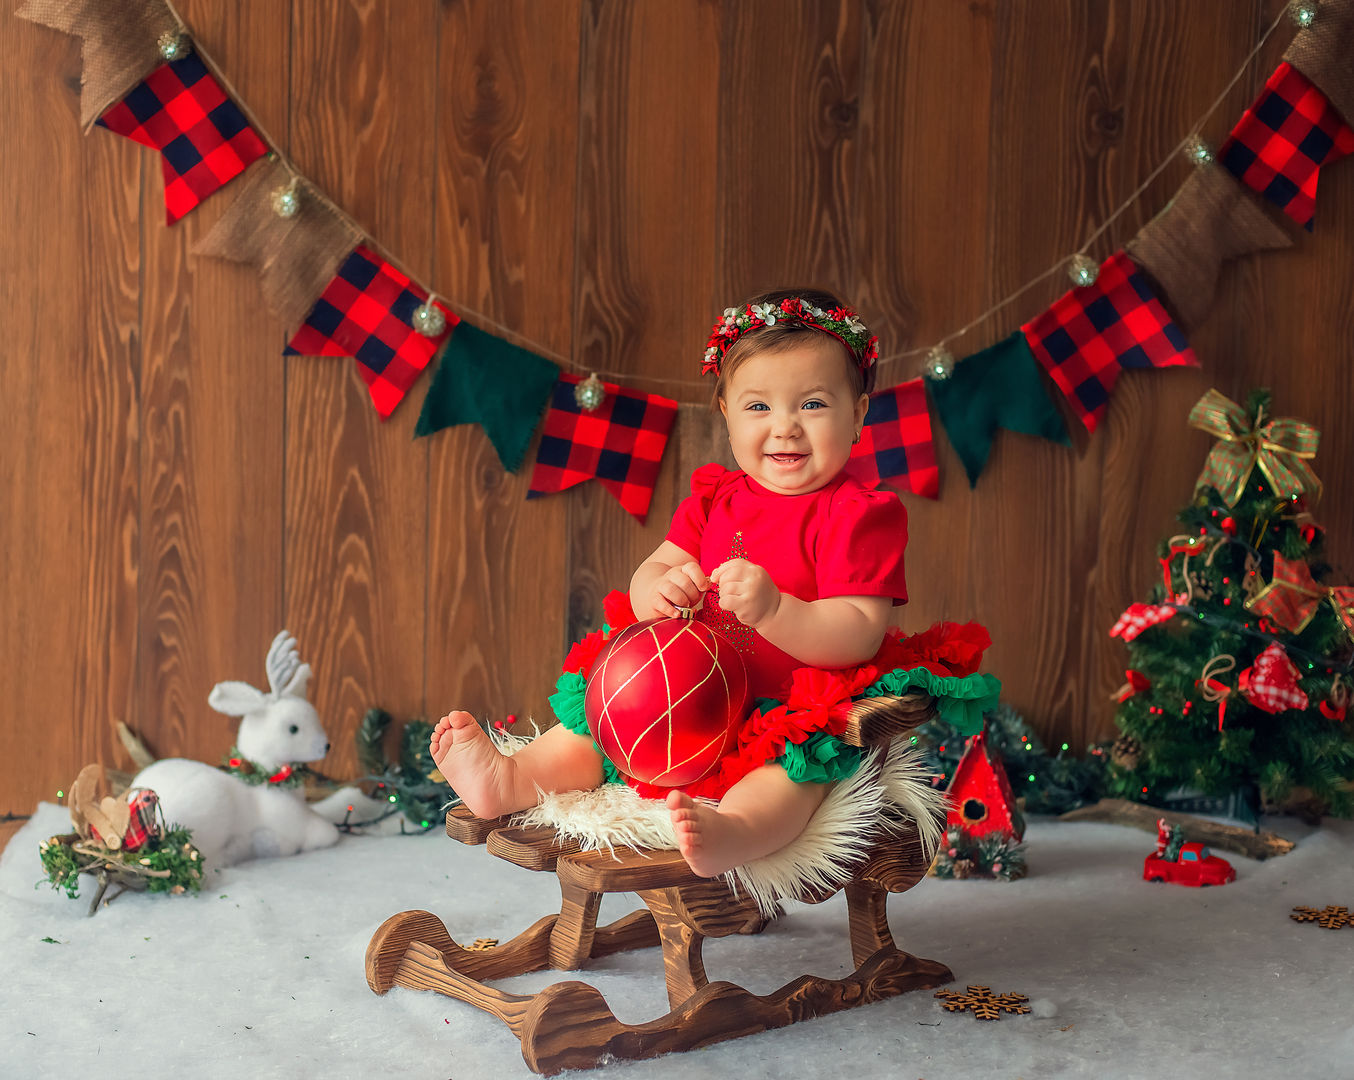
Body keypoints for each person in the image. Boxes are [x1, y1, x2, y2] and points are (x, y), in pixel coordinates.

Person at [430, 289, 909, 878]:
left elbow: (859, 632)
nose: (785, 428)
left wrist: (776, 610)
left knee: (790, 777)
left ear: (858, 415)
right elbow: (652, 571)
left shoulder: (858, 515)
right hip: (683, 692)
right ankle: (510, 779)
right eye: (758, 406)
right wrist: (656, 590)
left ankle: (735, 831)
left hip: (781, 705)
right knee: (594, 729)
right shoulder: (715, 499)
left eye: (812, 404)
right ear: (726, 413)